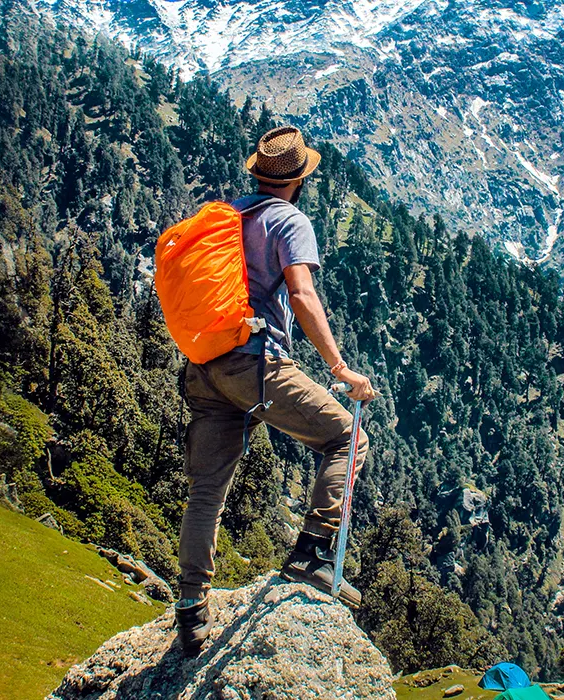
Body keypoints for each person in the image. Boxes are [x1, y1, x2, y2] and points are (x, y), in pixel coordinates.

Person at [175, 125, 377, 654]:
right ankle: (310, 555)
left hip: (205, 365)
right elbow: (302, 294)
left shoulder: (231, 216)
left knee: (205, 493)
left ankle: (191, 612)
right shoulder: (290, 219)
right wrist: (339, 367)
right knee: (346, 440)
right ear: (299, 180)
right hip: (254, 362)